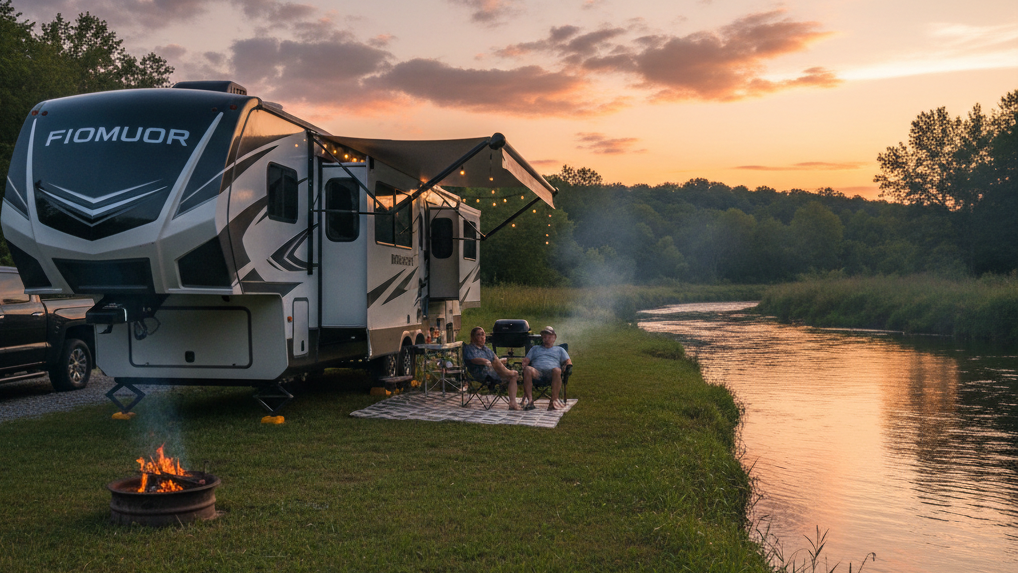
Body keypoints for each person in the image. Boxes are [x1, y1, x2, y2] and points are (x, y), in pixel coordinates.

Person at [463, 326, 522, 410]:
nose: (482, 337)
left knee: (508, 370)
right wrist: (484, 361)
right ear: (473, 337)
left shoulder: (485, 349)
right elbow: (472, 360)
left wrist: (498, 361)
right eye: (479, 335)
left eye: (483, 334)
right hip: (482, 374)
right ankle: (508, 374)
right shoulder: (469, 348)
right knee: (513, 375)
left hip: (492, 371)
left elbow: (493, 360)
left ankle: (513, 402)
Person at [521, 326, 572, 411]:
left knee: (557, 370)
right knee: (527, 369)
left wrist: (566, 366)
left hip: (552, 374)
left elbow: (568, 361)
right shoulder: (535, 348)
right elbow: (526, 360)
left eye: (549, 337)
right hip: (537, 373)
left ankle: (553, 402)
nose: (546, 339)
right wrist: (524, 364)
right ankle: (530, 401)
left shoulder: (559, 350)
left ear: (554, 338)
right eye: (544, 337)